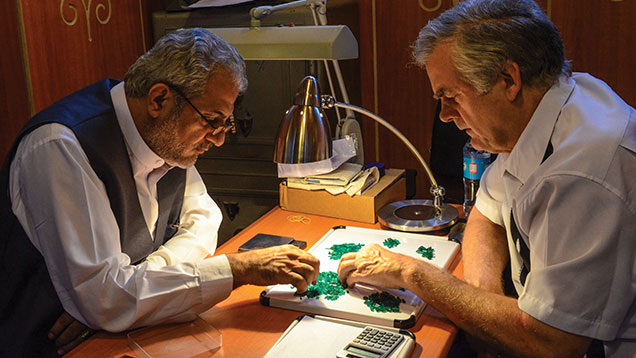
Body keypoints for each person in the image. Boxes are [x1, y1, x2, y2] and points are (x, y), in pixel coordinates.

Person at [338, 0, 636, 357]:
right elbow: (486, 210)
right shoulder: (548, 108)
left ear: (509, 80)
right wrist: (484, 302)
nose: (445, 115)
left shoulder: (580, 174)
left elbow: (553, 343)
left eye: (451, 96)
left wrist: (412, 273)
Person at [0, 28, 319, 357]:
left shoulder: (166, 138)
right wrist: (236, 269)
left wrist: (134, 292)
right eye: (212, 120)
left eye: (226, 123)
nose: (219, 138)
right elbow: (105, 299)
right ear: (159, 99)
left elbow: (203, 219)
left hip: (120, 338)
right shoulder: (61, 146)